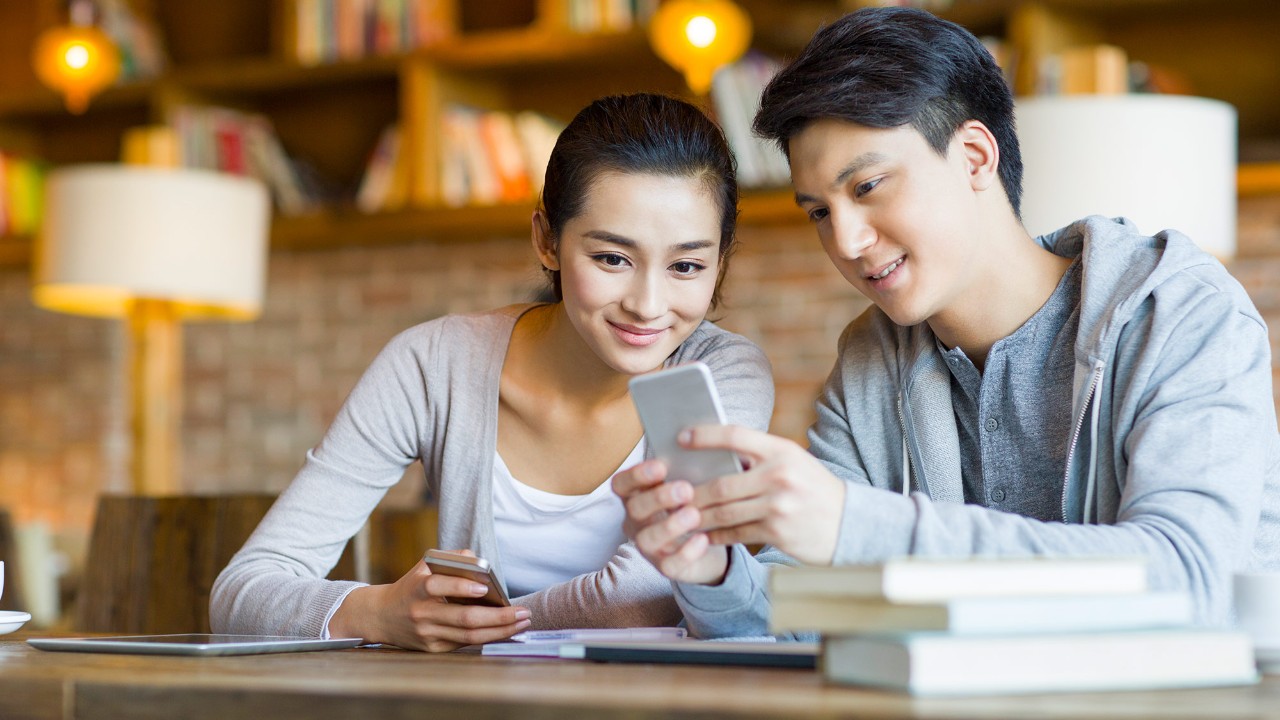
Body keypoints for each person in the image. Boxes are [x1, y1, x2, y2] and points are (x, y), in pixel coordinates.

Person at [614, 6, 1280, 638]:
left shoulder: (1179, 313)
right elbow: (798, 615)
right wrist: (713, 573)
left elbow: (1193, 581)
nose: (844, 241)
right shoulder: (872, 360)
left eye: (867, 187)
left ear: (975, 158)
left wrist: (860, 525)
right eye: (819, 210)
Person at [211, 93, 774, 652]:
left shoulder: (725, 373)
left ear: (719, 262)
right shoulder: (433, 364)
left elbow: (646, 592)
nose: (648, 305)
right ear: (547, 241)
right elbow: (242, 592)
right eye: (612, 259)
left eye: (686, 266)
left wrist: (474, 628)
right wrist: (380, 612)